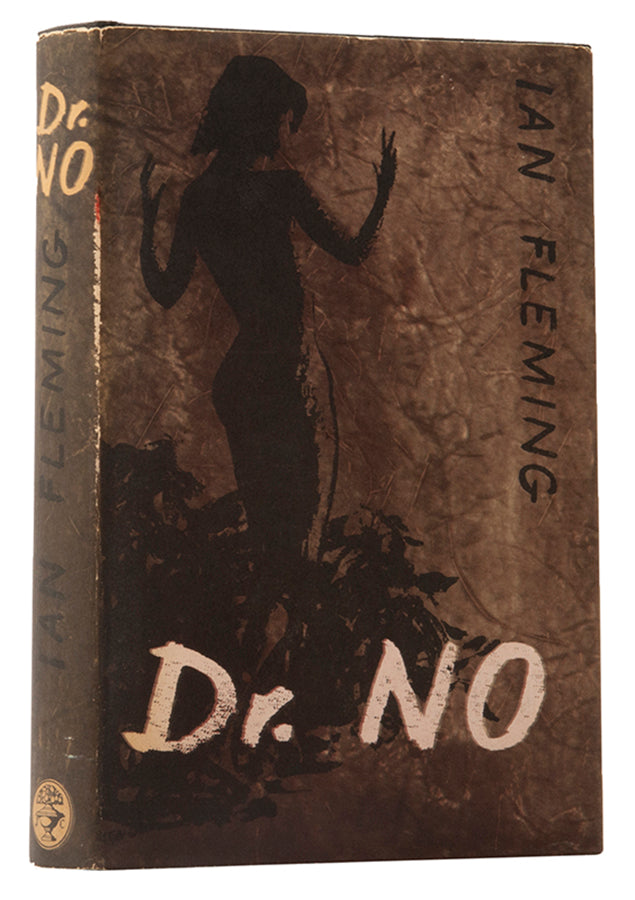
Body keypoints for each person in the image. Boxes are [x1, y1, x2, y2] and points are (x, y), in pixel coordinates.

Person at [140, 56, 396, 667]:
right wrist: (385, 191)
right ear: (262, 118)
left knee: (269, 544)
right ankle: (276, 674)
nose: (290, 133)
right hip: (289, 373)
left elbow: (166, 289)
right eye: (286, 119)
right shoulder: (281, 187)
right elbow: (355, 250)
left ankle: (247, 664)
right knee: (300, 547)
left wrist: (148, 222)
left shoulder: (199, 197)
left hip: (242, 379)